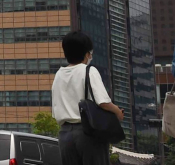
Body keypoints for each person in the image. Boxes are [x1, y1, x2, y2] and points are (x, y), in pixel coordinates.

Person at [52, 31, 124, 165]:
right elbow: (103, 102)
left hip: (64, 135)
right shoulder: (88, 70)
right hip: (87, 132)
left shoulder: (58, 75)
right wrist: (117, 111)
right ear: (86, 54)